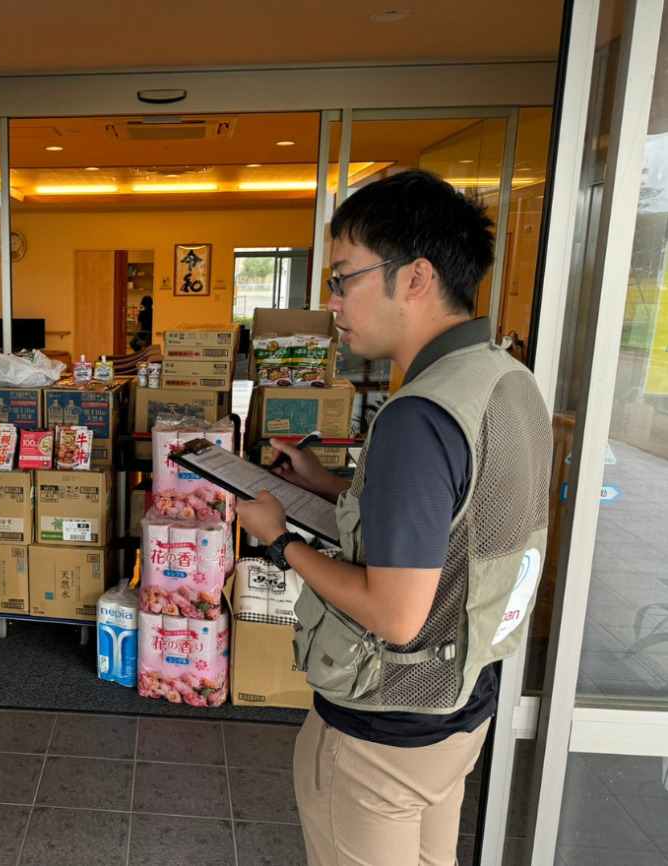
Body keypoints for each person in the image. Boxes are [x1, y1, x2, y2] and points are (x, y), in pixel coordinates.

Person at [236, 170, 551, 866]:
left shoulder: (420, 417)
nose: (333, 301)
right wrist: (330, 482)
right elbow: (457, 512)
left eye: (344, 277)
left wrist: (279, 540)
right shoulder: (505, 381)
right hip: (461, 703)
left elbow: (396, 615)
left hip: (384, 730)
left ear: (415, 278)